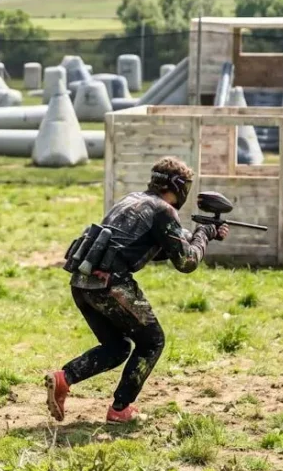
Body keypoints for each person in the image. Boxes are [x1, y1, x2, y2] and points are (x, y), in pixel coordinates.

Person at [45, 156, 227, 424]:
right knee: (152, 341)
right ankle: (121, 409)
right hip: (111, 285)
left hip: (82, 283)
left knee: (117, 347)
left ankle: (64, 378)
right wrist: (204, 235)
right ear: (179, 187)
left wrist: (195, 236)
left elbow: (146, 248)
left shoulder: (132, 200)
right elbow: (186, 262)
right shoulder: (163, 210)